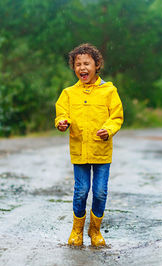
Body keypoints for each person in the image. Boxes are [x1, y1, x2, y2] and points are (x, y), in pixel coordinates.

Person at [55, 43, 123, 247]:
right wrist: (61, 123)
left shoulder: (109, 90)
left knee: (100, 191)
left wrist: (109, 130)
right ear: (73, 67)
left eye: (87, 63)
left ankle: (95, 230)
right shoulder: (68, 93)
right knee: (81, 191)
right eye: (78, 64)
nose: (82, 68)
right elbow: (62, 114)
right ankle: (77, 230)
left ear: (97, 65)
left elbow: (117, 117)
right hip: (80, 150)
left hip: (101, 150)